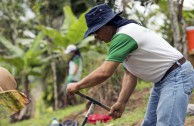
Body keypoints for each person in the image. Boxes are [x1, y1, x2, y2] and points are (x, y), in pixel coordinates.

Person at [66, 3, 194, 126]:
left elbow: (104, 72)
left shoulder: (124, 35)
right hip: (163, 80)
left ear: (107, 25)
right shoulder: (123, 34)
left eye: (96, 31)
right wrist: (121, 102)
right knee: (150, 124)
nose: (96, 37)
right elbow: (130, 73)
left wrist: (77, 85)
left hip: (176, 75)